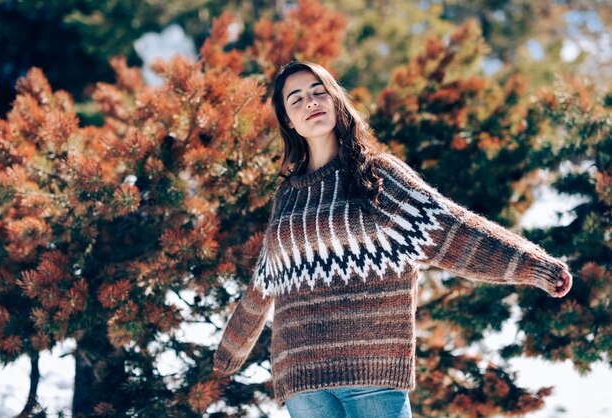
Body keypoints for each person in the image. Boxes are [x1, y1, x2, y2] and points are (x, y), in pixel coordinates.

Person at [212, 60, 573, 417]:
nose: (311, 102)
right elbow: (265, 281)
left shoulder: (377, 176)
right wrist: (229, 353)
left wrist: (535, 266)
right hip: (301, 381)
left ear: (336, 101)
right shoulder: (288, 196)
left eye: (319, 92)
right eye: (297, 99)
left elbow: (452, 229)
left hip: (372, 373)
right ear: (289, 121)